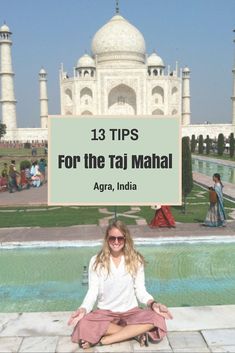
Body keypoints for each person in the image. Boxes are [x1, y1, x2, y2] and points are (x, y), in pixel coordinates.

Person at [68, 220, 173, 349]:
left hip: (131, 313)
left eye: (120, 238)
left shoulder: (136, 259)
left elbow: (140, 290)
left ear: (125, 239)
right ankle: (134, 333)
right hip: (105, 314)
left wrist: (153, 304)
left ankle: (105, 340)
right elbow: (93, 291)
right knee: (83, 322)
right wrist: (84, 308)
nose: (116, 242)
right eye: (112, 238)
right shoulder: (96, 261)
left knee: (157, 318)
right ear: (107, 239)